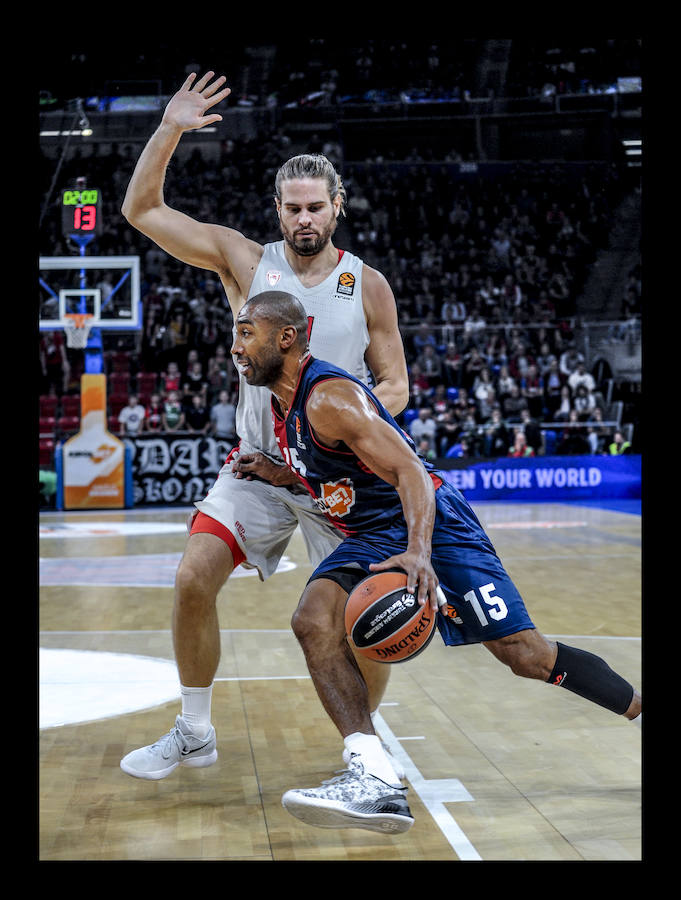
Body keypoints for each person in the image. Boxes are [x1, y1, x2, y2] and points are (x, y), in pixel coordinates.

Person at [231, 291, 641, 834]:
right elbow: (336, 470)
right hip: (375, 531)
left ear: (285, 338)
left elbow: (412, 474)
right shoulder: (282, 403)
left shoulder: (329, 396)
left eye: (245, 332)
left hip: (432, 523)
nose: (236, 346)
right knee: (312, 619)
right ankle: (375, 779)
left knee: (526, 655)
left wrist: (419, 553)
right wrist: (279, 472)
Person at [118, 71, 409, 781]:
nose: (303, 218)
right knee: (192, 575)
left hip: (339, 478)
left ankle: (362, 754)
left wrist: (357, 423)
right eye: (291, 208)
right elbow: (140, 209)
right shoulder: (246, 261)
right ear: (276, 212)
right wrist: (172, 127)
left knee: (362, 626)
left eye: (315, 207)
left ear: (335, 208)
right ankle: (193, 729)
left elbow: (395, 381)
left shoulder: (365, 283)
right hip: (258, 465)